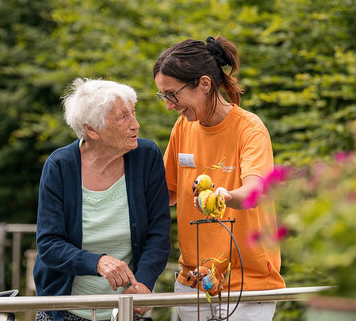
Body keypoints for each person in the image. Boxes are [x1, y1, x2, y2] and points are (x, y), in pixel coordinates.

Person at [153, 36, 286, 320]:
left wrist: (225, 195)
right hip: (192, 284)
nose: (169, 105)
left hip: (245, 289)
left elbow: (253, 192)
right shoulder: (182, 128)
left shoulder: (250, 129)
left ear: (203, 83)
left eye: (172, 94)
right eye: (163, 96)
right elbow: (165, 194)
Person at [34, 78, 172, 321]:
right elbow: (49, 244)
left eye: (133, 113)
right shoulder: (59, 166)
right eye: (123, 118)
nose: (135, 125)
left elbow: (159, 233)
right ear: (91, 130)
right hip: (66, 310)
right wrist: (98, 262)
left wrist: (144, 283)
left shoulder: (147, 156)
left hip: (127, 309)